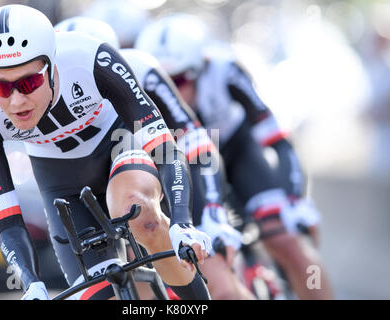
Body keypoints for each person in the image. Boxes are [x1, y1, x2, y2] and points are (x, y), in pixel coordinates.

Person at [0, 5, 212, 300]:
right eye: (0, 87)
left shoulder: (91, 57)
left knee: (141, 214)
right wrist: (31, 284)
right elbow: (7, 221)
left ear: (53, 66)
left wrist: (182, 223)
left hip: (117, 143)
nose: (16, 101)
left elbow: (166, 150)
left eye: (29, 83)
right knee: (97, 295)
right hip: (61, 180)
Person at [55, 16, 255, 300]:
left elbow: (199, 145)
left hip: (167, 182)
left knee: (220, 286)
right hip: (108, 195)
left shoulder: (141, 70)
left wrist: (212, 212)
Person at [135, 13, 333, 299]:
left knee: (285, 238)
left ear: (200, 69)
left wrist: (295, 199)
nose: (170, 90)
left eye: (179, 80)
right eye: (163, 82)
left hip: (237, 153)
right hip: (189, 165)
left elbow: (279, 140)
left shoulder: (224, 69)